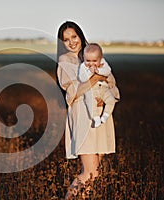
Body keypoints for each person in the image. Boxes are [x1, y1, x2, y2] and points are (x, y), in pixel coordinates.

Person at [56, 21, 120, 198]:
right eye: (66, 39)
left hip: (100, 116)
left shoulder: (93, 54)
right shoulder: (65, 61)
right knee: (90, 172)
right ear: (62, 43)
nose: (71, 42)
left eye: (74, 37)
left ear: (80, 35)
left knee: (95, 172)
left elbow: (111, 82)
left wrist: (104, 93)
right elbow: (73, 91)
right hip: (83, 117)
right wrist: (95, 79)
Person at [78, 43, 120, 128]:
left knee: (111, 100)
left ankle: (105, 116)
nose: (91, 64)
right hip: (91, 89)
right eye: (88, 61)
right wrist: (90, 72)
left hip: (103, 88)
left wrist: (98, 71)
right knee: (91, 102)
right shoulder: (83, 66)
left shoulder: (103, 63)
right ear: (84, 58)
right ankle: (96, 118)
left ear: (100, 59)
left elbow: (108, 71)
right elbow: (82, 78)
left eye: (94, 61)